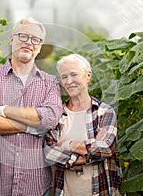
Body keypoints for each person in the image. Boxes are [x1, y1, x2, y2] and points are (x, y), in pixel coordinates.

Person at [0, 17, 63, 196]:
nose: (29, 42)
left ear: (40, 46)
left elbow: (50, 118)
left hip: (34, 184)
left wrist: (4, 111)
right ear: (12, 39)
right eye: (23, 36)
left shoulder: (50, 82)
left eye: (35, 39)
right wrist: (31, 127)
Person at [44, 54, 122, 196]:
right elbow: (49, 153)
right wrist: (79, 158)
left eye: (74, 74)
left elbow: (105, 148)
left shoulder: (104, 112)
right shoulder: (56, 114)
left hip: (100, 191)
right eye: (64, 77)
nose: (69, 81)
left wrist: (69, 145)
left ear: (88, 76)